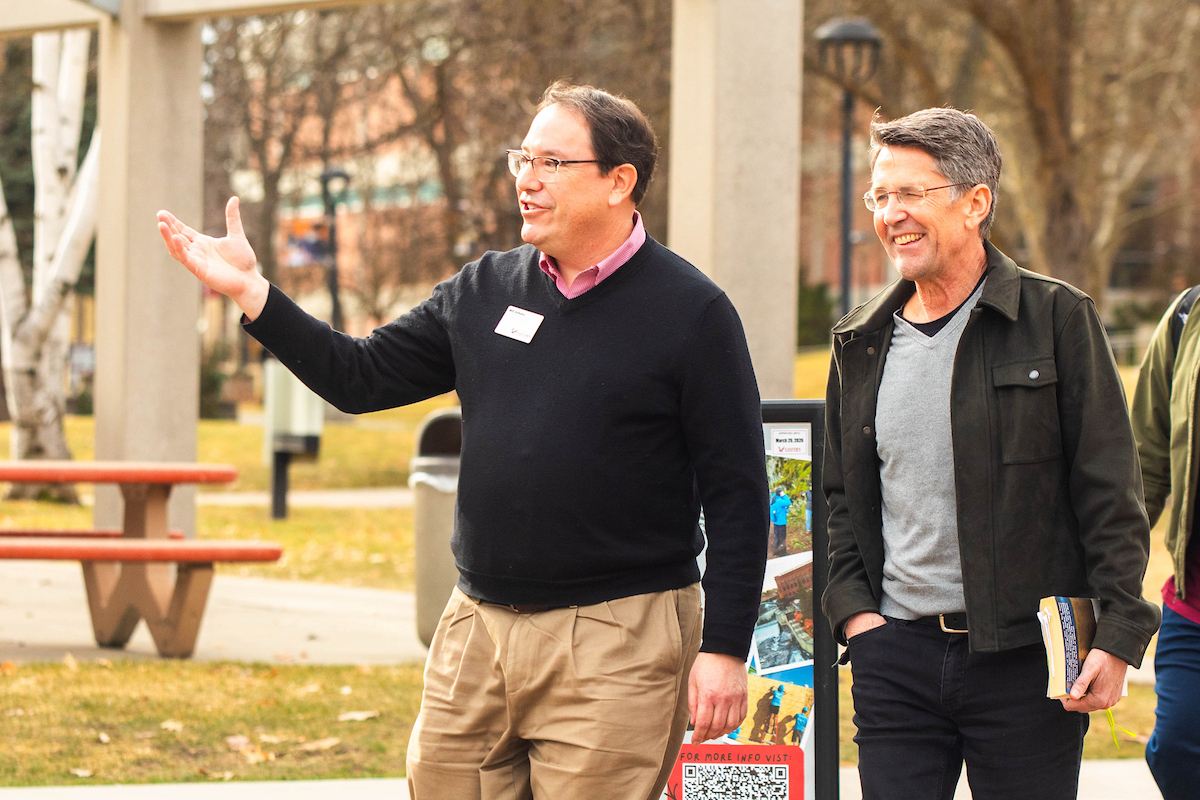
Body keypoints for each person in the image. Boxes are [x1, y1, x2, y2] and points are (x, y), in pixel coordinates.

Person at [158, 81, 768, 800]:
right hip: (476, 626)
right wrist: (255, 296)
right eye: (522, 158)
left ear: (619, 181)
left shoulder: (692, 312)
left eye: (551, 162)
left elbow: (737, 492)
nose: (526, 180)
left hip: (619, 637)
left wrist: (724, 647)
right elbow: (361, 377)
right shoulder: (484, 289)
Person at [821, 108, 1159, 800]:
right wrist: (859, 618)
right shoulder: (858, 341)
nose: (891, 215)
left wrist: (1119, 634)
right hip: (896, 660)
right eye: (879, 196)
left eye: (911, 193)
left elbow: (1108, 493)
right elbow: (839, 500)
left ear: (975, 202)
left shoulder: (1058, 319)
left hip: (1026, 663)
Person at [1130, 288, 1200, 800]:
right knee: (1174, 747)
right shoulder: (1185, 317)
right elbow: (1144, 469)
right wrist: (1102, 580)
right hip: (1193, 604)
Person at [769, 487, 792, 556]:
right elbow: (788, 502)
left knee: (777, 536)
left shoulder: (773, 498)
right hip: (781, 522)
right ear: (780, 493)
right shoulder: (780, 501)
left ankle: (775, 551)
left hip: (775, 521)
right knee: (782, 537)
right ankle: (782, 553)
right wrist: (784, 495)